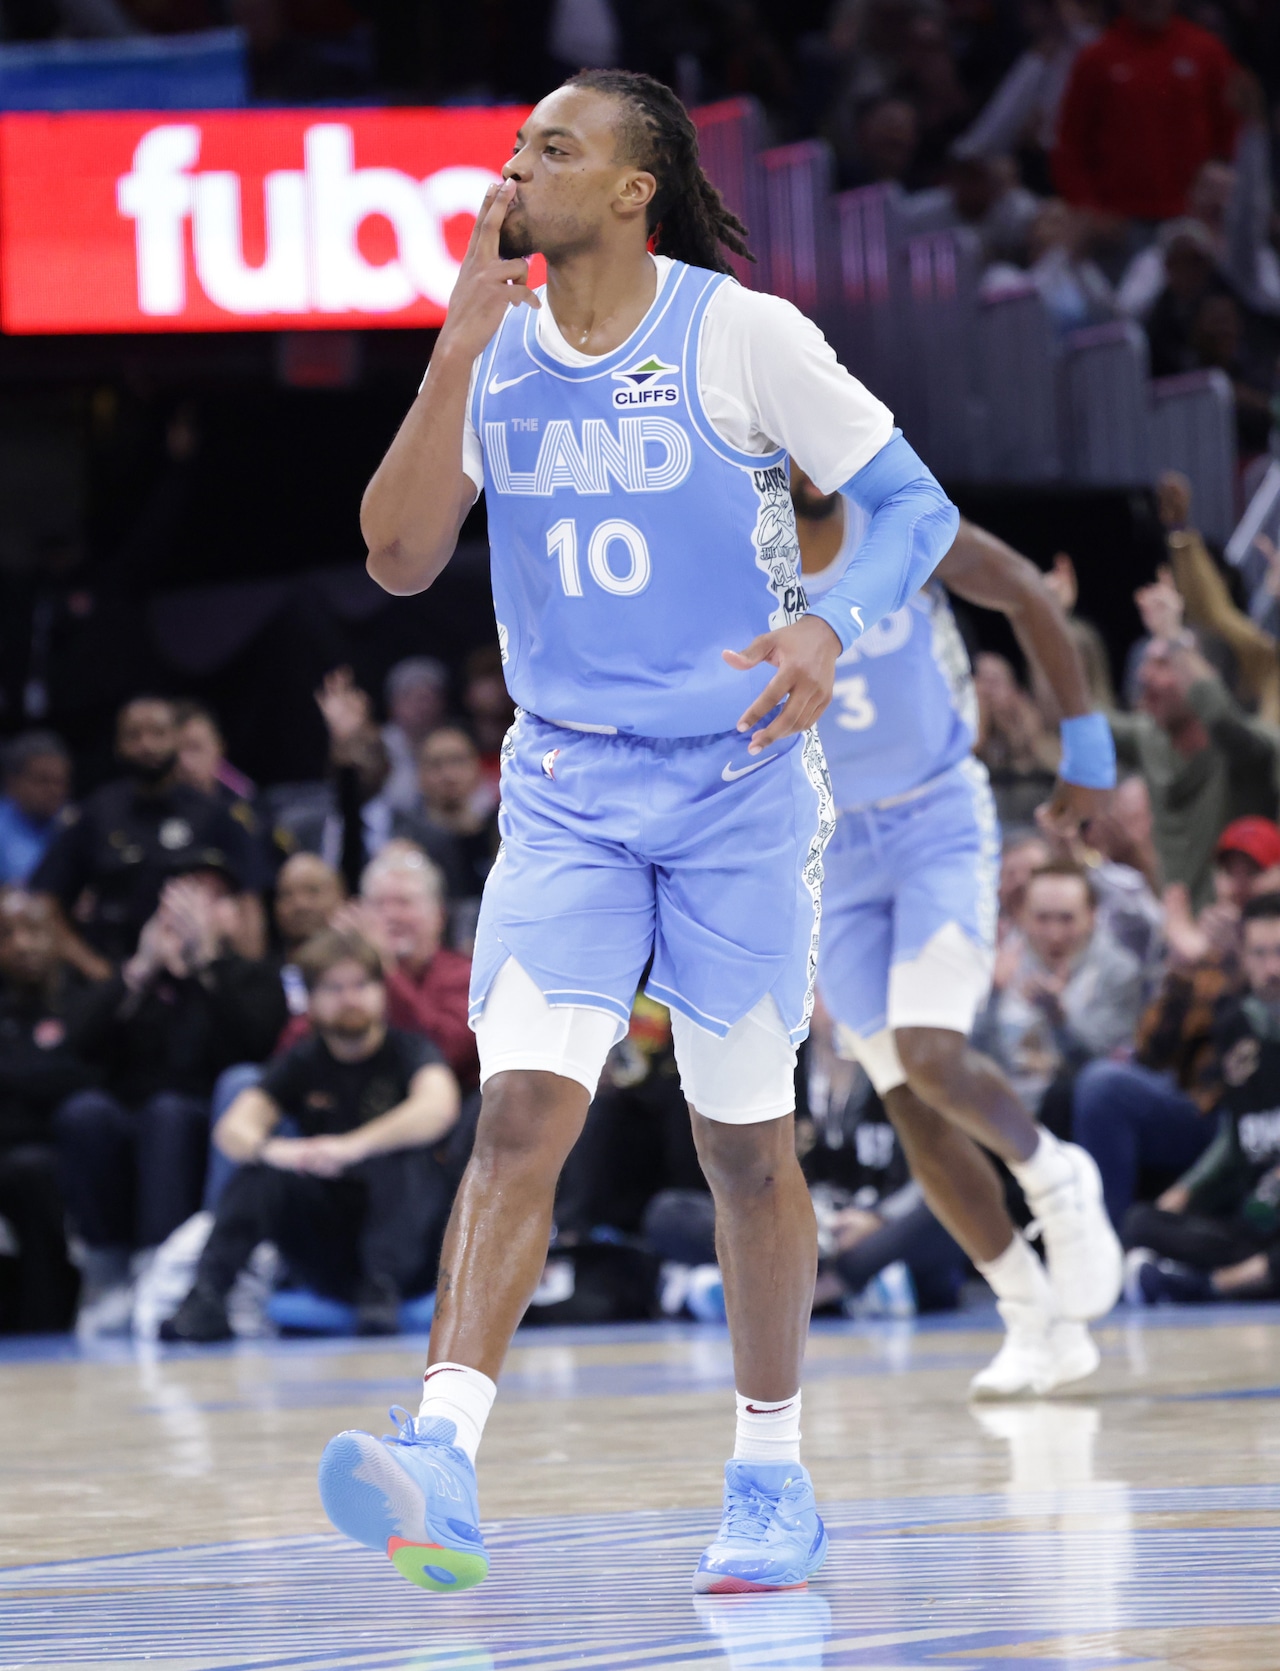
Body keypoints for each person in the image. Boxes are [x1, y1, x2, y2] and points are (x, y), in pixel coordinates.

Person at [318, 68, 959, 1598]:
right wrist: (456, 343)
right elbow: (399, 557)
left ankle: (771, 1470)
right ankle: (445, 1456)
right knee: (522, 1112)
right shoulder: (493, 348)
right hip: (567, 791)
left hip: (737, 783)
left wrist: (829, 627)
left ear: (632, 189)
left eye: (557, 145)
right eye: (519, 142)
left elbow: (915, 509)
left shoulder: (742, 334)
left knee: (743, 1144)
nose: (517, 164)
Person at [793, 467, 1124, 1401]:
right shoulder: (740, 551)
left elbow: (1022, 589)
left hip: (938, 819)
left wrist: (1085, 746)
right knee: (907, 1099)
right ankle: (1032, 1319)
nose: (813, 457)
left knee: (933, 1054)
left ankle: (1058, 1177)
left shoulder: (898, 518)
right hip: (831, 846)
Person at [161, 930, 460, 1342]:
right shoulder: (303, 1059)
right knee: (261, 1174)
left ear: (381, 992)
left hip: (410, 1250)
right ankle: (207, 1296)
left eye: (361, 985)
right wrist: (285, 1152)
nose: (350, 998)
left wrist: (351, 1147)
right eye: (334, 988)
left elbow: (438, 1108)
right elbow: (234, 1129)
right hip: (330, 1246)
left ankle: (382, 1288)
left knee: (406, 1159)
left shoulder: (409, 1050)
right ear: (312, 1002)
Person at [53, 853, 287, 1333]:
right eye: (181, 898)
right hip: (131, 1118)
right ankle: (107, 1271)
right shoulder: (135, 978)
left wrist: (205, 962)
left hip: (207, 1120)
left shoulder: (250, 975)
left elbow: (255, 1043)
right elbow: (74, 1047)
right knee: (84, 1114)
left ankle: (156, 1268)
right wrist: (139, 970)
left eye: (212, 900)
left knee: (168, 1115)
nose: (193, 911)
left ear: (236, 914)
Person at [1071, 816, 1280, 1227]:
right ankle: (1102, 1247)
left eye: (1253, 873)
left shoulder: (1261, 954)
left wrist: (1244, 968)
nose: (1238, 886)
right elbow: (1151, 1052)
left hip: (1252, 1114)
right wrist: (1183, 971)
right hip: (1198, 1107)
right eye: (1229, 873)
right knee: (1100, 1085)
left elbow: (1260, 1038)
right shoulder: (1203, 950)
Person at [1125, 892, 1280, 1305]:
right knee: (1141, 1222)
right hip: (1254, 1221)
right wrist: (1184, 1193)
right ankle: (1244, 1276)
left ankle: (1206, 1285)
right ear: (1242, 957)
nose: (1273, 969)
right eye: (1260, 954)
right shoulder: (1235, 1025)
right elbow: (1235, 1134)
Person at [30, 696, 259, 968]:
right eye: (133, 736)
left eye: (158, 734)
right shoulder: (95, 814)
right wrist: (92, 969)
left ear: (177, 739)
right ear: (117, 745)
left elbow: (249, 901)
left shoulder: (216, 815)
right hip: (114, 976)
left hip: (201, 974)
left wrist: (247, 976)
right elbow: (45, 900)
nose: (146, 745)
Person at [1111, 634, 1280, 910]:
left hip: (1250, 924)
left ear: (1205, 673)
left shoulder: (1254, 745)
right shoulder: (1149, 740)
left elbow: (1224, 724)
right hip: (1174, 923)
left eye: (1163, 664)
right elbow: (1082, 720)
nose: (1143, 675)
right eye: (1146, 664)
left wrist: (1174, 633)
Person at [973, 861, 1144, 1119]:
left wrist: (1060, 1020)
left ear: (1092, 916)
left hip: (1069, 1110)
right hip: (999, 1106)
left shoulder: (1118, 970)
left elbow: (1103, 1073)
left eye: (1067, 919)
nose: (1054, 934)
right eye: (1042, 918)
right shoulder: (998, 960)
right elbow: (968, 1056)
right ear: (1022, 915)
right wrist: (994, 994)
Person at [1053, 0, 1238, 225]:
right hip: (1119, 222)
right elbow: (1069, 146)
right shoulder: (1096, 58)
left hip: (1193, 218)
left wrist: (1220, 200)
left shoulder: (1208, 53)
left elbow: (1233, 135)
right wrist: (1089, 208)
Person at [0, 889, 92, 1332]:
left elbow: (90, 1075)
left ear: (57, 936)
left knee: (30, 1172)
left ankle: (46, 1322)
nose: (21, 944)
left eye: (33, 930)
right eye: (6, 934)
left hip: (61, 1151)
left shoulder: (82, 1001)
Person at [340, 844, 477, 1089]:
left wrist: (383, 964)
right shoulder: (343, 975)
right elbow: (299, 1047)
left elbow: (443, 1051)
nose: (391, 915)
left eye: (404, 902)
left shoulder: (465, 974)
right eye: (379, 904)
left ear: (439, 915)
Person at [0, 732, 73, 886]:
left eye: (60, 782)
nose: (55, 791)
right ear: (12, 783)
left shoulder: (72, 823)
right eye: (43, 781)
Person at [381, 657, 451, 814]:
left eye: (428, 697)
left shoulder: (457, 741)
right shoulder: (378, 746)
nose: (421, 706)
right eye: (410, 696)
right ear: (392, 704)